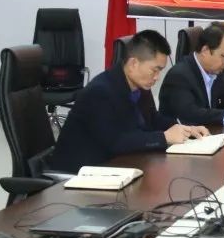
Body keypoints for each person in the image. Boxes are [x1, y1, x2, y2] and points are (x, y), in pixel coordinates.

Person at [51, 29, 208, 172]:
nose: (157, 77)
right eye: (155, 70)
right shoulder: (100, 92)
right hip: (79, 175)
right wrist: (164, 137)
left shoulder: (140, 85)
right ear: (133, 63)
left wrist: (185, 129)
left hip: (117, 166)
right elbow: (115, 142)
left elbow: (152, 119)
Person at [159, 22, 224, 126]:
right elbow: (191, 115)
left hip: (210, 132)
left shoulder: (217, 69)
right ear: (205, 51)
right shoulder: (179, 76)